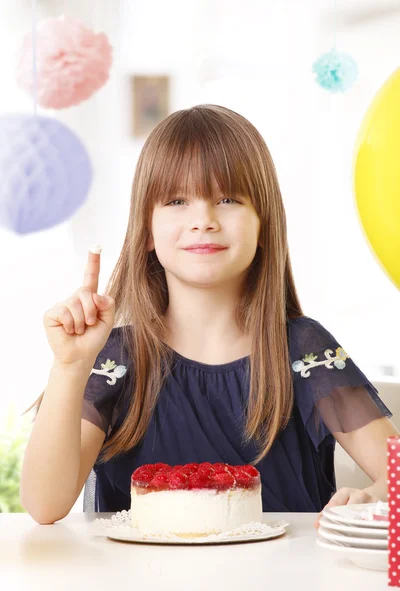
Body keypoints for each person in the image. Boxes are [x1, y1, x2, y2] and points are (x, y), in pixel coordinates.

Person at [20, 104, 398, 527]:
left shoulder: (303, 350)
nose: (204, 221)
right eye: (177, 200)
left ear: (263, 224)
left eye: (228, 199)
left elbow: (398, 478)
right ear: (146, 229)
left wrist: (368, 498)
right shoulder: (116, 358)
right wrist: (70, 367)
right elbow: (44, 505)